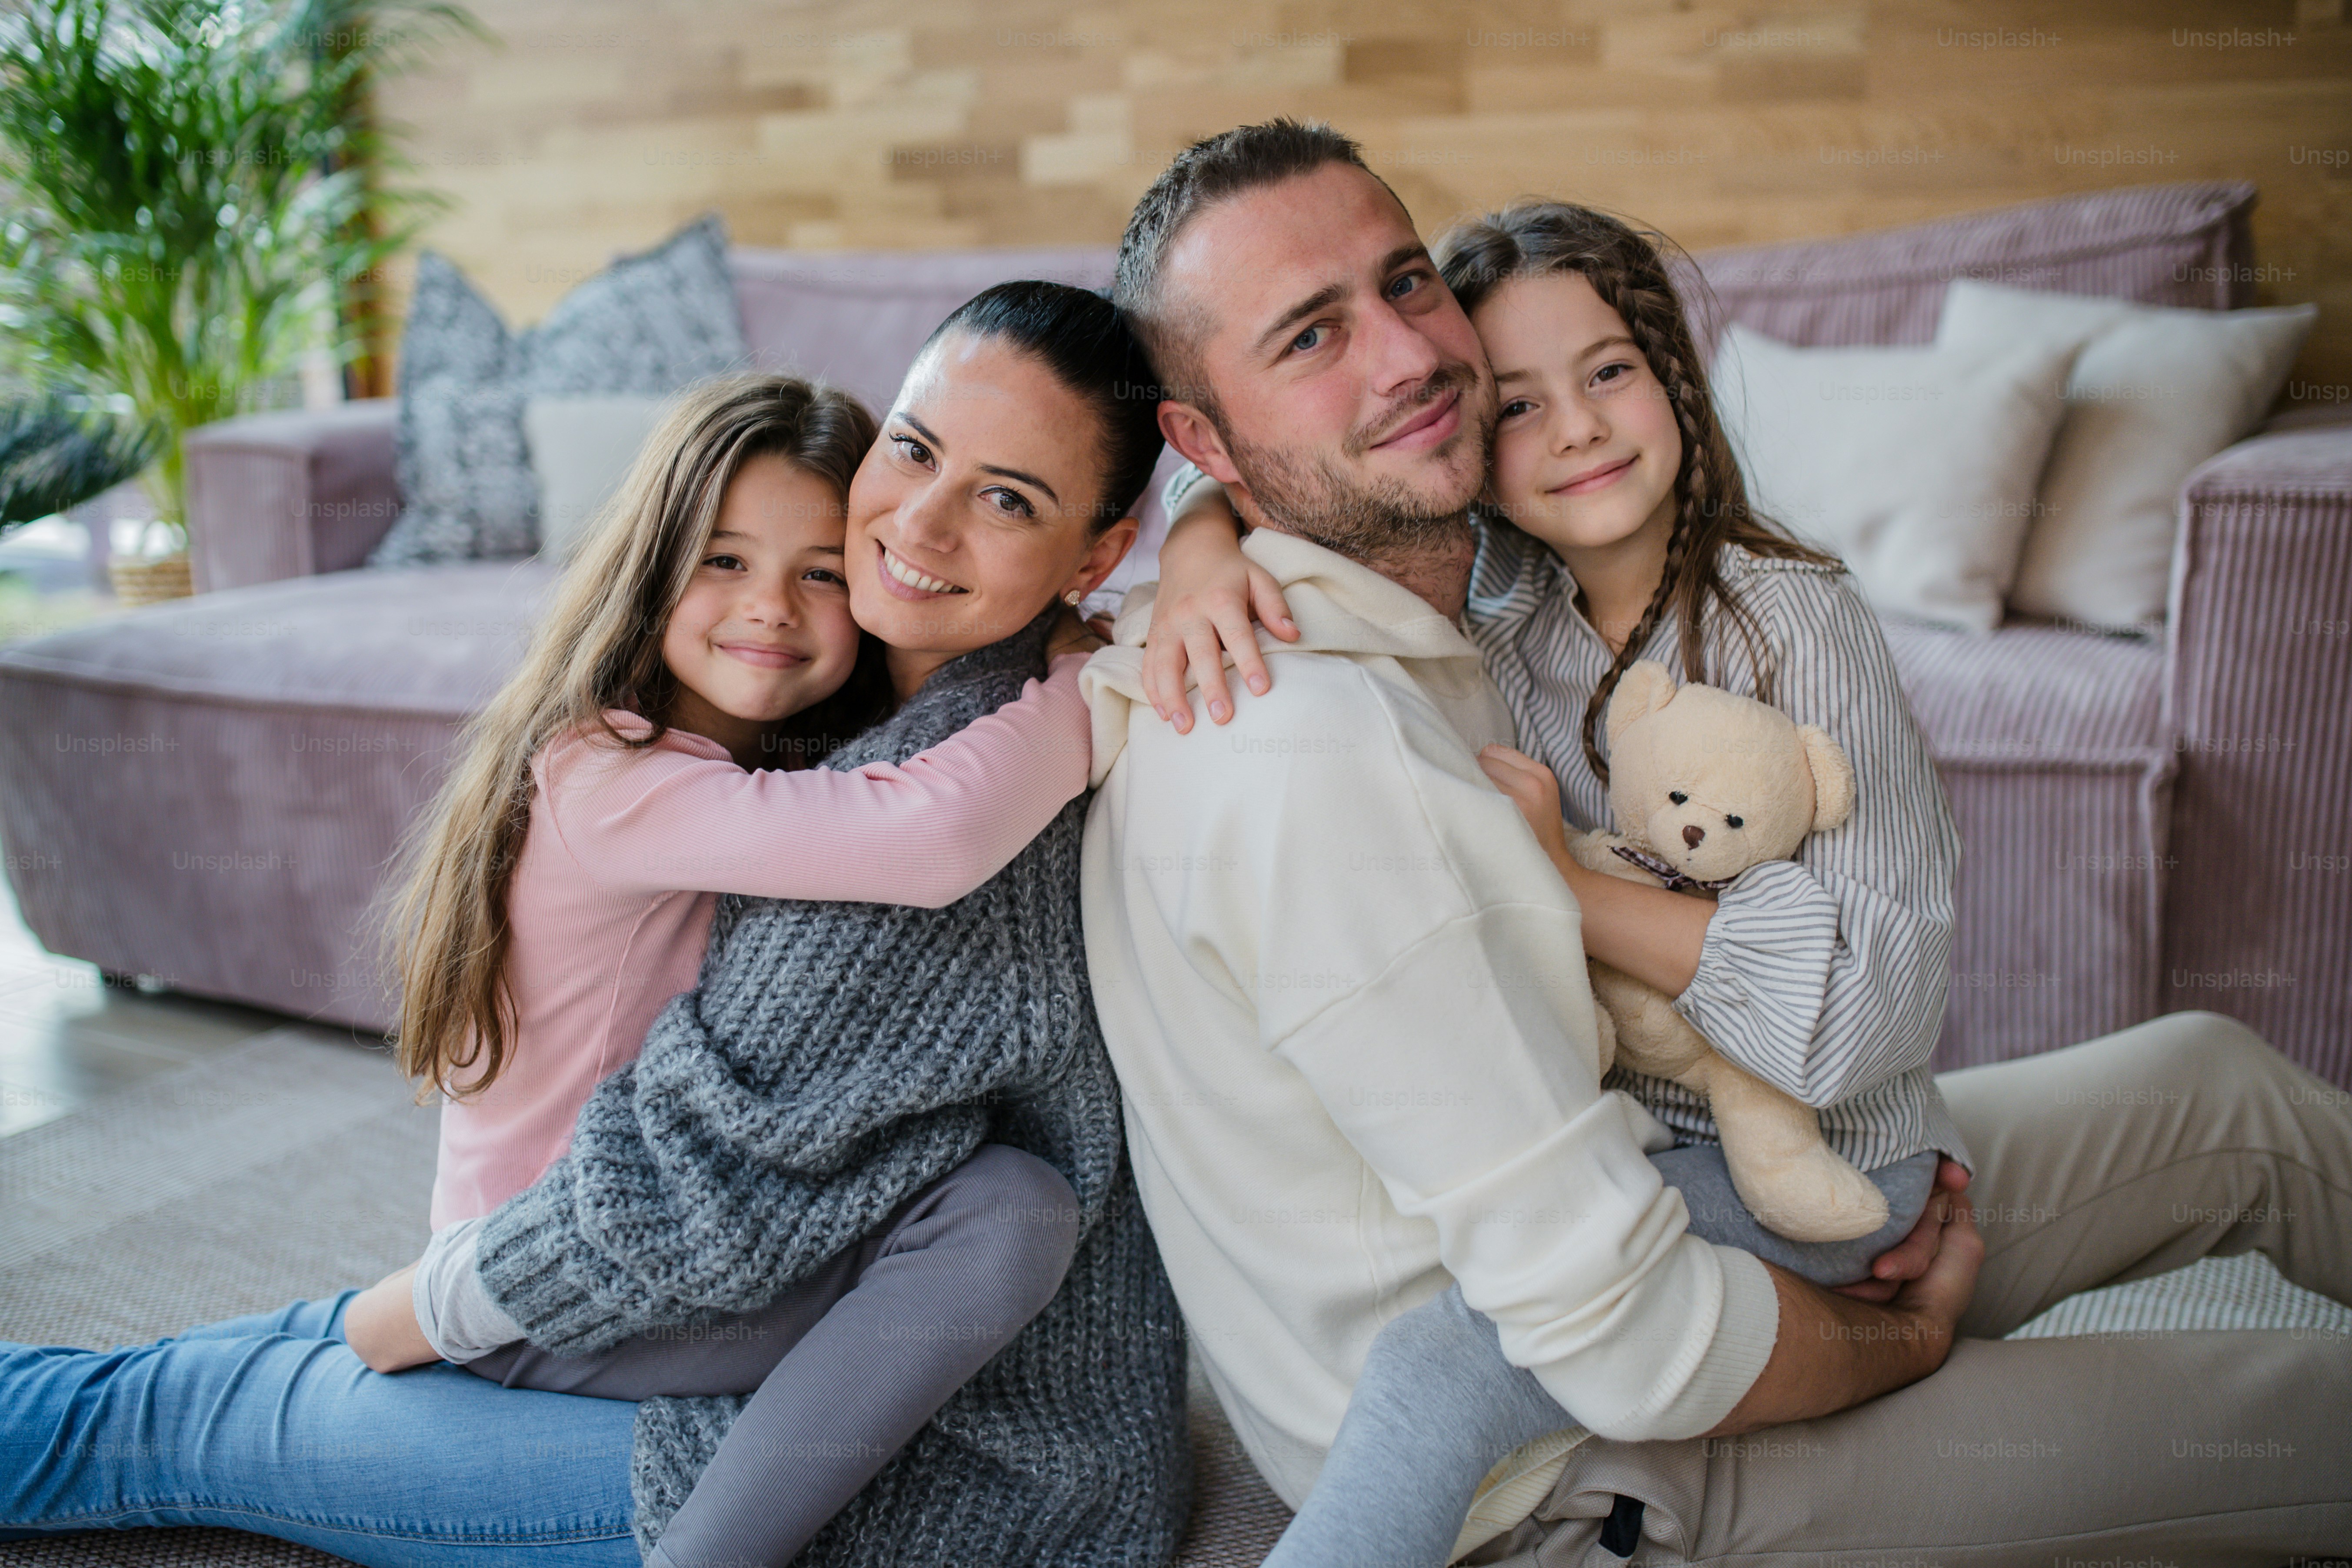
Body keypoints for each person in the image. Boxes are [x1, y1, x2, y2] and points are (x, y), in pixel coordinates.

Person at [1083, 117, 2352, 1568]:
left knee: (2216, 1086)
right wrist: (1903, 1344)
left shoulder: (1379, 614)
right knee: (2303, 1409)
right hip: (1586, 1461)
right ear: (1204, 433)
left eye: (1407, 285)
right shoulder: (1330, 755)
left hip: (1743, 1159)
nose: (1408, 358)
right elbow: (1624, 1336)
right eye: (1310, 336)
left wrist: (1193, 537)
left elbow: (1252, 442)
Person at [0, 282, 1191, 1568]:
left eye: (816, 573)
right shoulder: (618, 775)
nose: (775, 608)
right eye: (725, 562)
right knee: (168, 1411)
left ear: (1092, 544)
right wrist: (1097, 671)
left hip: (654, 1269)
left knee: (242, 1362)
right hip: (548, 1271)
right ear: (652, 560)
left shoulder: (792, 761)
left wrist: (1197, 552)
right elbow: (925, 831)